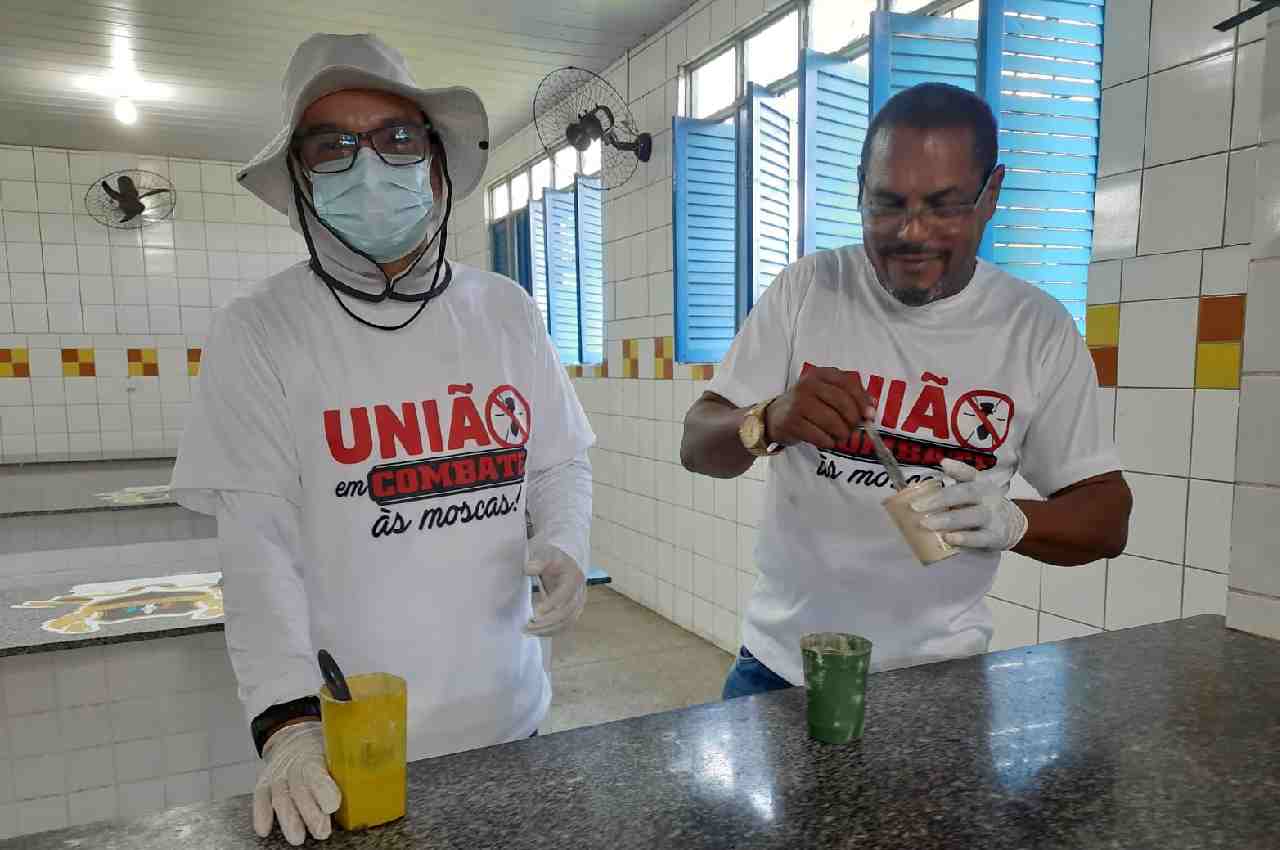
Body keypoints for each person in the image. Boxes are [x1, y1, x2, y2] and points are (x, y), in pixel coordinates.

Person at [171, 34, 593, 846]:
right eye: (332, 146)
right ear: (298, 178)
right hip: (356, 753)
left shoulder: (505, 310)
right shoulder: (261, 332)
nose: (370, 166)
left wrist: (566, 539)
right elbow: (257, 556)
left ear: (434, 161)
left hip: (513, 721)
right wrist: (288, 727)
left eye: (396, 136)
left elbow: (558, 460)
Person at [680, 83, 1131, 700]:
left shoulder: (1036, 329)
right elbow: (696, 444)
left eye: (944, 207)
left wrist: (1015, 521)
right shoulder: (810, 288)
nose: (911, 234)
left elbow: (1108, 521)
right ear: (860, 186)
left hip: (942, 681)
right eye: (887, 204)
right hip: (781, 668)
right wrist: (767, 418)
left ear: (991, 195)